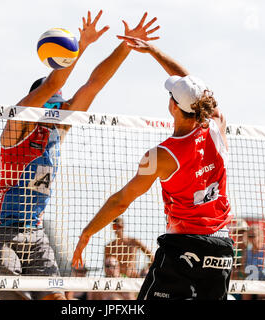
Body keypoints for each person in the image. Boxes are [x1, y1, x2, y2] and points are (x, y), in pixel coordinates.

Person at [0, 11, 160, 300]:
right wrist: (81, 45)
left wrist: (126, 46)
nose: (60, 107)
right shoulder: (17, 128)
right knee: (13, 295)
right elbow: (50, 85)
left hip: (33, 231)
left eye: (61, 103)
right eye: (54, 103)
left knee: (58, 300)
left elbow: (94, 84)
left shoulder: (58, 129)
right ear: (37, 103)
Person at [73, 35, 233, 300]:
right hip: (222, 247)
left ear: (173, 106)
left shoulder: (160, 156)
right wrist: (156, 51)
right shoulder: (217, 126)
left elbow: (121, 201)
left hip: (184, 247)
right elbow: (199, 95)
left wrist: (87, 232)